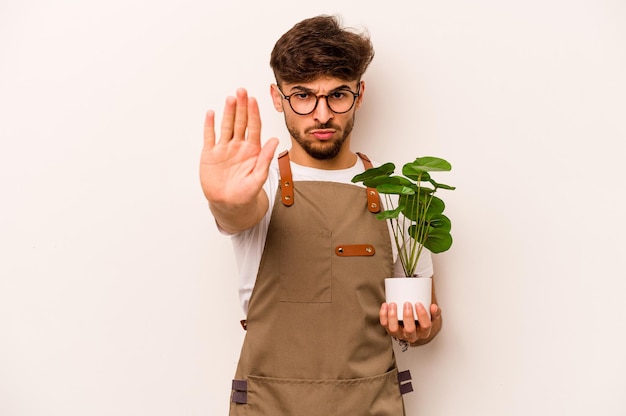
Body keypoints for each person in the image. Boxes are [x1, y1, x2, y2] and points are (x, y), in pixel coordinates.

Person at [200, 14, 442, 416]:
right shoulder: (261, 186)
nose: (322, 114)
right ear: (278, 98)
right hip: (269, 406)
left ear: (359, 94)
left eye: (337, 95)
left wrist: (420, 329)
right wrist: (225, 201)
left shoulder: (399, 194)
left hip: (371, 405)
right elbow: (239, 213)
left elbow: (429, 322)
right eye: (303, 95)